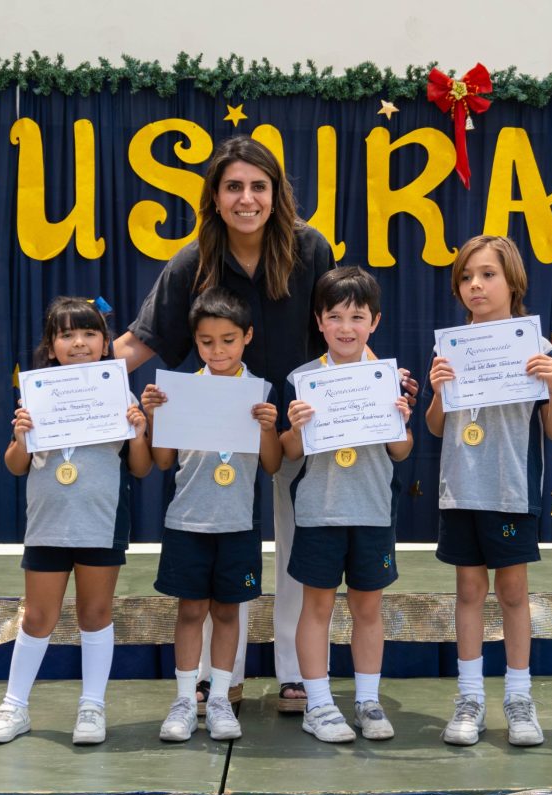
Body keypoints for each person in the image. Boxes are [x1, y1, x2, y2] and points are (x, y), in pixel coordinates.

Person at [112, 135, 335, 713]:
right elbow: (143, 340)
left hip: (292, 419)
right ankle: (219, 678)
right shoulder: (194, 260)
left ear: (276, 192)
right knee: (219, 546)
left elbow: (338, 327)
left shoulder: (310, 248)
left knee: (297, 545)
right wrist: (76, 383)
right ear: (214, 196)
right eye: (233, 186)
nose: (246, 198)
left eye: (258, 186)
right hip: (216, 430)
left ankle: (293, 672)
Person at [0, 297, 153, 745]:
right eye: (67, 334)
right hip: (48, 524)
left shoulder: (121, 392)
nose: (79, 343)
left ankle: (92, 707)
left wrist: (138, 432)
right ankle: (14, 707)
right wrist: (21, 435)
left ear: (104, 341)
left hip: (101, 520)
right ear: (52, 344)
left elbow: (141, 467)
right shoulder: (38, 394)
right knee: (37, 616)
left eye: (89, 333)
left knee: (95, 614)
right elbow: (16, 465)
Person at [424, 235, 552, 748]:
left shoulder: (537, 347)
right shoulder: (451, 345)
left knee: (512, 593)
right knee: (468, 591)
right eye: (466, 277)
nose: (475, 285)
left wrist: (551, 382)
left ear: (513, 281)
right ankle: (469, 698)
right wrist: (439, 389)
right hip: (461, 488)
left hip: (511, 489)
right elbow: (437, 426)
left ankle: (519, 697)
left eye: (487, 274)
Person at [140, 287, 283, 742]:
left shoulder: (259, 393)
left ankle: (220, 697)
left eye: (227, 340)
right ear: (195, 342)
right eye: (206, 342)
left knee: (227, 614)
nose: (217, 350)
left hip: (238, 525)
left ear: (247, 337)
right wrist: (154, 416)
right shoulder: (180, 392)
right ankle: (185, 700)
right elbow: (162, 462)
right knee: (189, 613)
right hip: (187, 523)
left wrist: (267, 428)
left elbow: (273, 463)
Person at [280, 266, 413, 743]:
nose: (345, 327)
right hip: (320, 511)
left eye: (356, 317)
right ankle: (318, 705)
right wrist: (295, 427)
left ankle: (368, 701)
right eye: (334, 316)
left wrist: (401, 419)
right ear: (319, 321)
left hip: (373, 511)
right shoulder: (303, 379)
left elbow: (401, 452)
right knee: (316, 609)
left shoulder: (386, 378)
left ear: (374, 322)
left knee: (368, 610)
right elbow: (288, 455)